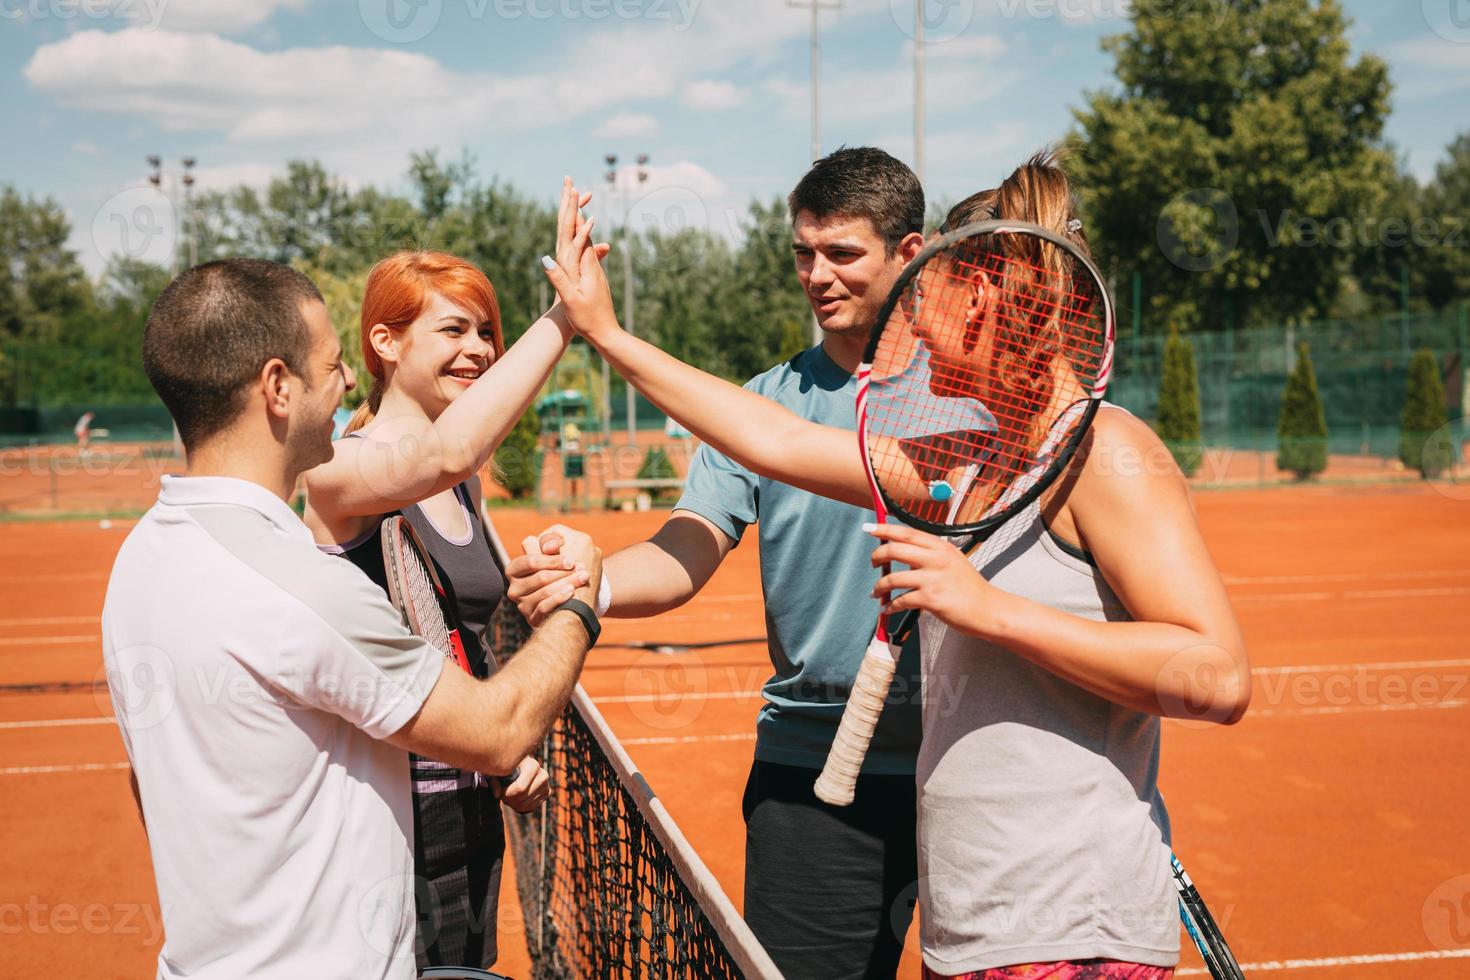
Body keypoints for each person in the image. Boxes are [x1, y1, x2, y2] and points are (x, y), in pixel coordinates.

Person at [538, 150, 1251, 978]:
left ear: (979, 295)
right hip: (976, 930)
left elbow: (1218, 676)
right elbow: (773, 438)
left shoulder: (1108, 452)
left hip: (1068, 930)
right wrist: (607, 336)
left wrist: (983, 606)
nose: (908, 311)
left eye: (927, 289)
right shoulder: (976, 456)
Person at [103, 257, 603, 980]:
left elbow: (147, 782)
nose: (346, 382)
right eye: (334, 365)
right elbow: (498, 731)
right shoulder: (304, 588)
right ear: (278, 387)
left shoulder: (140, 560)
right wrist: (584, 601)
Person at [513, 146, 927, 978]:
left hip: (967, 763)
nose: (817, 275)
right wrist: (592, 578)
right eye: (802, 254)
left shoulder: (981, 395)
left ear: (908, 254)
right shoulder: (762, 401)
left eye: (842, 253)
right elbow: (684, 552)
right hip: (813, 772)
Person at [301, 182, 604, 971]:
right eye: (453, 329)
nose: (478, 348)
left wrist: (505, 748)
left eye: (487, 332)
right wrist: (567, 317)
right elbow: (445, 451)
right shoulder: (339, 468)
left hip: (465, 804)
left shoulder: (465, 485)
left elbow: (467, 635)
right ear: (387, 342)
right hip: (382, 814)